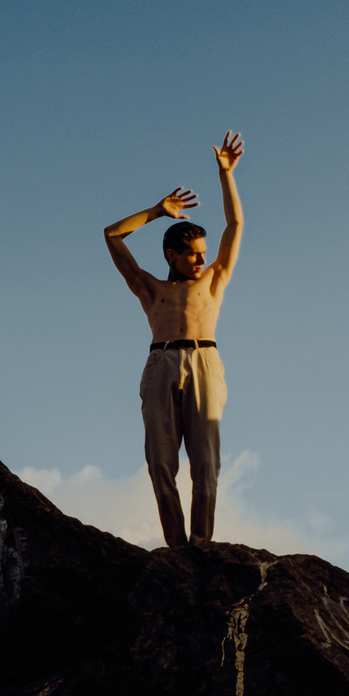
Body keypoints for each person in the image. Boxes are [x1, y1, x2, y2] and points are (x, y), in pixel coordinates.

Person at [103, 131, 244, 547]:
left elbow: (235, 224)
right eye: (194, 254)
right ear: (171, 256)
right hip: (160, 363)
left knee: (206, 462)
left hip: (204, 362)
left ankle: (201, 543)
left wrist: (226, 175)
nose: (203, 259)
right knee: (161, 462)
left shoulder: (214, 280)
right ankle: (177, 547)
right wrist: (156, 211)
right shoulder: (151, 289)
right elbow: (112, 235)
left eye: (203, 252)